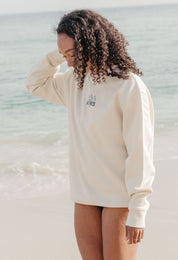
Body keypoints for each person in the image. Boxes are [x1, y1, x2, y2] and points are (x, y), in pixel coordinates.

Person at [25, 9, 155, 260]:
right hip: (84, 195)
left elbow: (140, 151)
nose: (70, 62)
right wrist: (58, 55)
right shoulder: (74, 81)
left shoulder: (128, 85)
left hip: (118, 197)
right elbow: (34, 84)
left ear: (90, 43)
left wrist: (139, 209)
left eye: (73, 53)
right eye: (66, 56)